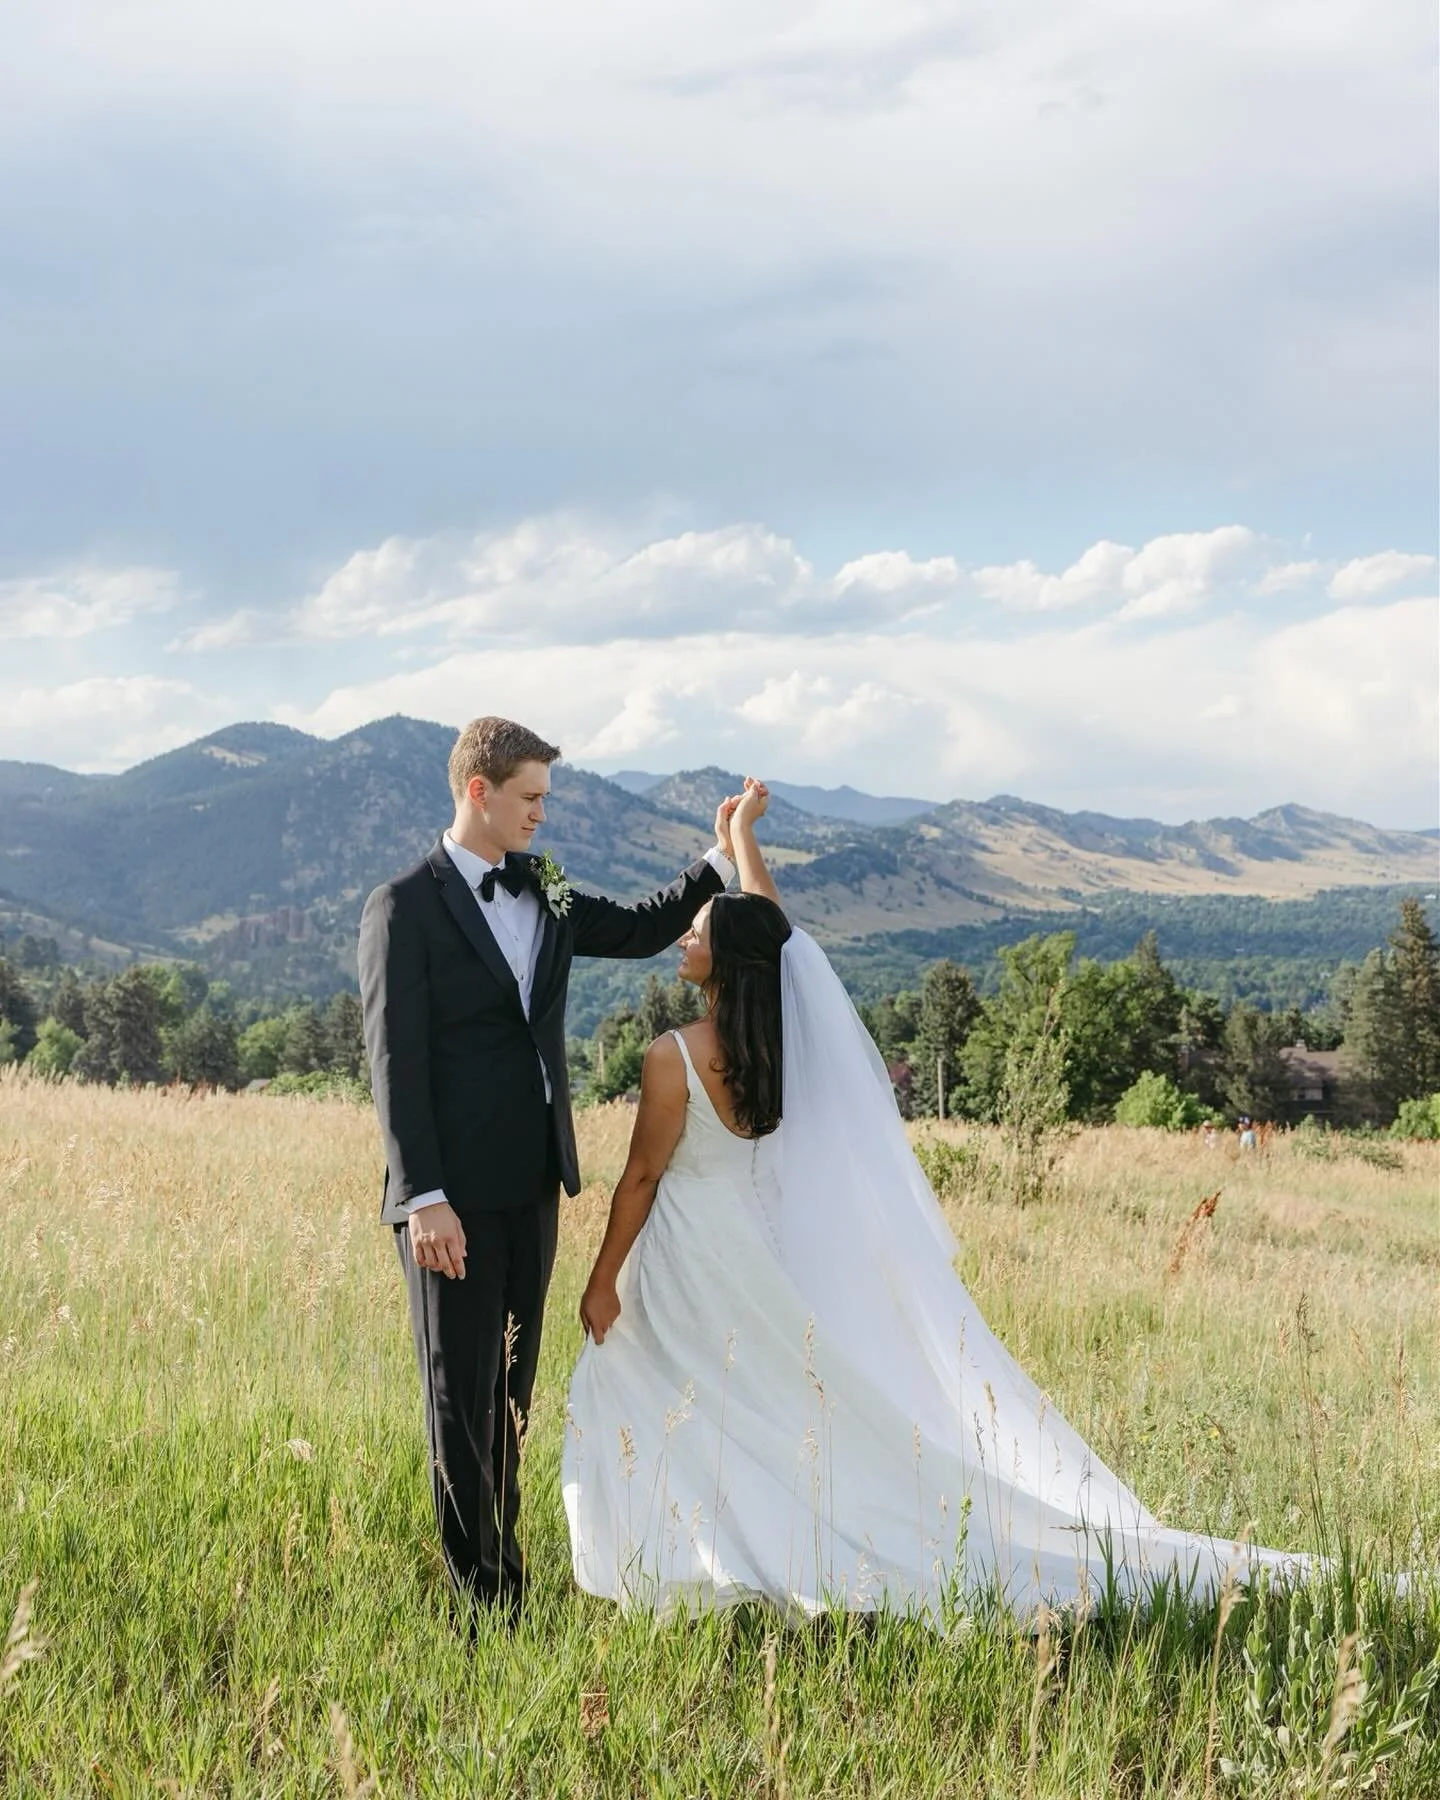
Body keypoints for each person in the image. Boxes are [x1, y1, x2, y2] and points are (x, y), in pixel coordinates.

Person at [563, 780, 1304, 1620]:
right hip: (760, 1248)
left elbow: (642, 1178)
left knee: (665, 1384)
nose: (682, 939)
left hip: (691, 1248)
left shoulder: (674, 1056)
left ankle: (708, 1551)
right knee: (763, 1397)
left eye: (693, 934)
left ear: (721, 960)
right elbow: (777, 939)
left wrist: (603, 1277)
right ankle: (742, 1546)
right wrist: (739, 840)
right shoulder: (782, 1044)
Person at [359, 715, 738, 1621]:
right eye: (530, 799)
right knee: (459, 1398)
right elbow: (393, 1063)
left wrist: (721, 859)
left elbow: (644, 927)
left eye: (546, 800)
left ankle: (507, 1579)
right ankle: (479, 1603)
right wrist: (424, 1198)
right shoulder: (402, 906)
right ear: (478, 792)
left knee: (511, 1396)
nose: (541, 816)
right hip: (448, 1200)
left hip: (534, 1185)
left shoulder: (550, 885)